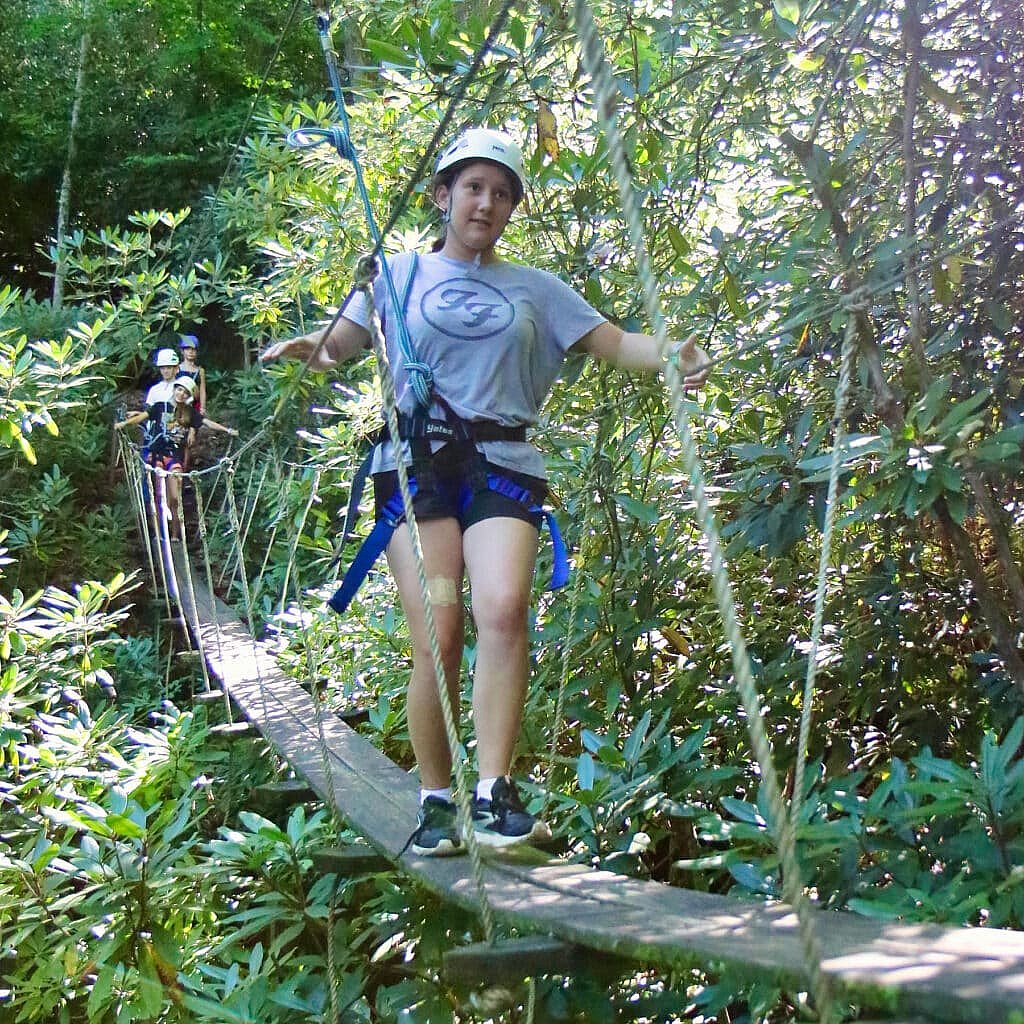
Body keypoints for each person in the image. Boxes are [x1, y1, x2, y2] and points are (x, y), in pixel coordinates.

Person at [261, 127, 709, 857]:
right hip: (416, 470)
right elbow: (340, 346)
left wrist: (674, 354)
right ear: (443, 196)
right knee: (439, 635)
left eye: (501, 194)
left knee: (503, 609)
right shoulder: (396, 274)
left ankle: (494, 792)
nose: (487, 202)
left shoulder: (536, 288)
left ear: (510, 210)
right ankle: (436, 800)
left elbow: (618, 344)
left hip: (502, 464)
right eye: (473, 187)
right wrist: (309, 351)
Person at [116, 375, 237, 539]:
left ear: (188, 397)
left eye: (185, 392)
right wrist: (123, 424)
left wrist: (227, 430)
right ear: (174, 389)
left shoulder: (189, 413)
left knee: (174, 498)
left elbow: (207, 422)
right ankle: (159, 534)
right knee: (158, 495)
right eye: (179, 389)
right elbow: (142, 417)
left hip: (174, 457)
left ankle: (174, 535)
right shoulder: (160, 407)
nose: (181, 394)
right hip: (156, 454)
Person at [177, 334, 207, 413]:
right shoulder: (176, 369)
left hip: (194, 406)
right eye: (187, 349)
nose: (190, 351)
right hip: (179, 405)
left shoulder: (200, 371)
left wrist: (203, 408)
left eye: (193, 349)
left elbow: (202, 390)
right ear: (182, 351)